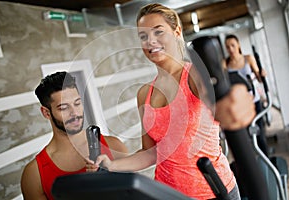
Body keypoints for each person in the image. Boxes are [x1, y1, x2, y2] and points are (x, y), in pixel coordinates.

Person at [86, 3, 255, 200]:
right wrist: (111, 165)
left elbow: (220, 96)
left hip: (212, 192)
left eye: (158, 32)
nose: (151, 41)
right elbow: (151, 153)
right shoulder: (144, 94)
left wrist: (236, 98)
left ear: (176, 32)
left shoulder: (193, 76)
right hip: (166, 194)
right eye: (143, 36)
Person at [20, 71, 128, 200]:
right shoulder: (34, 174)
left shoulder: (114, 147)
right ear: (46, 113)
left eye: (77, 103)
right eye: (64, 108)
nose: (75, 113)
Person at [222, 34, 269, 156]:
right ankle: (255, 165)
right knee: (247, 139)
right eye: (227, 47)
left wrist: (262, 74)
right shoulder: (225, 64)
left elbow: (258, 78)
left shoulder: (248, 58)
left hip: (254, 102)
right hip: (239, 105)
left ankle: (268, 163)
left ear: (238, 45)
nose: (230, 49)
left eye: (233, 45)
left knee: (260, 136)